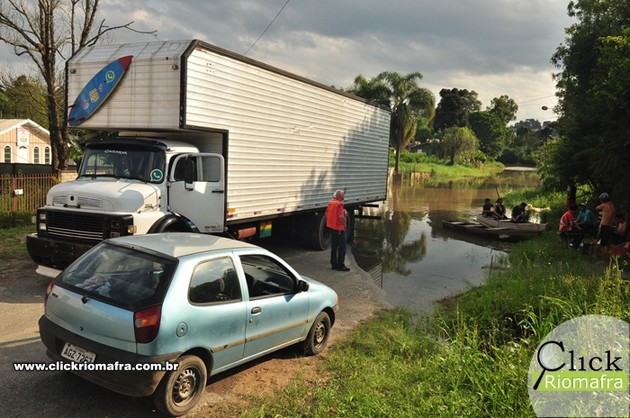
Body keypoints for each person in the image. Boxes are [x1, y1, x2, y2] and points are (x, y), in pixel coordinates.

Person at [326, 189, 349, 271]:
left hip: (332, 228)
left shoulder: (331, 203)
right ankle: (341, 265)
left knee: (334, 247)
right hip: (339, 229)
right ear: (340, 196)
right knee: (342, 248)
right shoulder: (339, 204)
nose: (344, 196)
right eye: (343, 194)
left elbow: (327, 213)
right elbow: (341, 217)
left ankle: (334, 264)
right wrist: (345, 224)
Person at [594, 192, 616, 259]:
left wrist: (602, 205)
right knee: (604, 242)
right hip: (609, 226)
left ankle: (603, 259)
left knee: (603, 244)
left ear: (602, 200)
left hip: (603, 225)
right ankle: (595, 255)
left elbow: (596, 208)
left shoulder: (603, 205)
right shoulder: (612, 206)